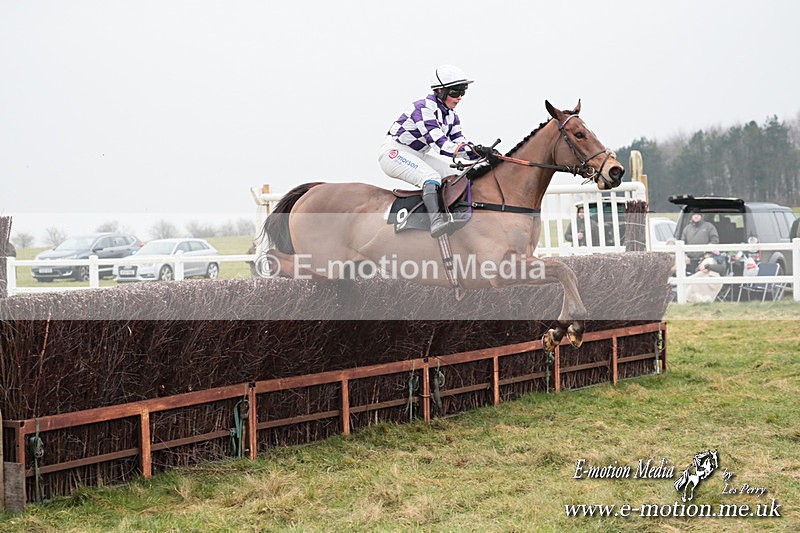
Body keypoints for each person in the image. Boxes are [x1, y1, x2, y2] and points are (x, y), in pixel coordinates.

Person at [379, 65, 497, 238]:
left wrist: (481, 152)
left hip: (418, 153)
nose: (460, 98)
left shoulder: (451, 115)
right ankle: (436, 221)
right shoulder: (423, 108)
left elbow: (459, 143)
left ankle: (457, 214)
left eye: (463, 92)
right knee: (431, 177)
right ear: (440, 91)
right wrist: (473, 150)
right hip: (394, 153)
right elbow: (441, 145)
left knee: (458, 176)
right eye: (456, 92)